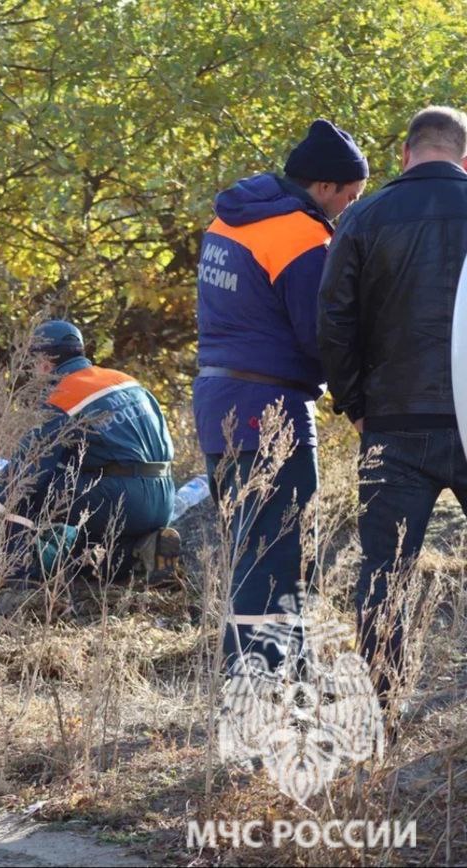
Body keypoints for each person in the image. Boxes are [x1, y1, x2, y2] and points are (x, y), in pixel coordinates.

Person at [194, 119, 368, 676]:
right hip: (271, 409)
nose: (346, 209)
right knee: (278, 550)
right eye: (349, 196)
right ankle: (265, 677)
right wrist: (358, 401)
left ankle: (252, 667)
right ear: (325, 186)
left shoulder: (230, 218)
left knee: (248, 548)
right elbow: (322, 334)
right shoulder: (301, 235)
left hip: (215, 400)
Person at [319, 106, 467, 699]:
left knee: (385, 570)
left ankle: (383, 702)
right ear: (463, 155)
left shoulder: (364, 217)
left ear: (404, 155)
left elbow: (334, 322)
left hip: (393, 421)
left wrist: (355, 404)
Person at [0, 321, 176, 580]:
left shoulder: (64, 396)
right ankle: (140, 551)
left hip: (124, 500)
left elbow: (25, 473)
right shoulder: (126, 381)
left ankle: (20, 580)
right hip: (162, 498)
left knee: (35, 491)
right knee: (74, 497)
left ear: (45, 362)